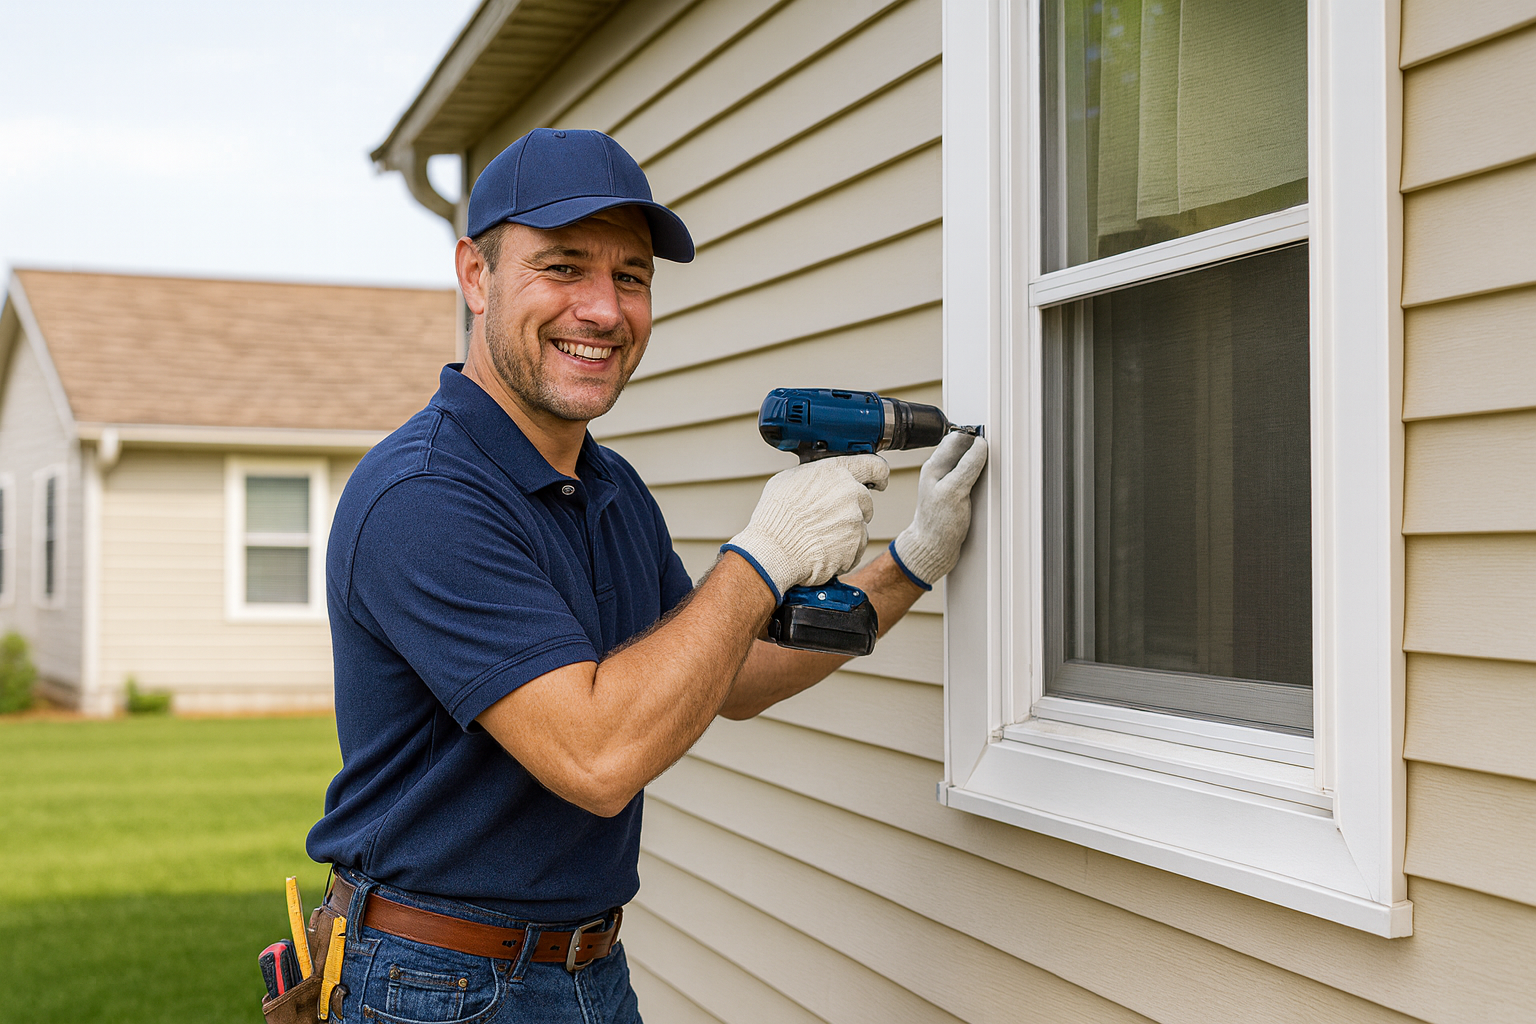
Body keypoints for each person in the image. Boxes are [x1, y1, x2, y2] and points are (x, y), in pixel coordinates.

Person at [304, 128, 986, 1024]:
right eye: (562, 267)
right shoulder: (425, 497)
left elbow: (730, 672)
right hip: (433, 981)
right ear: (476, 276)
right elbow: (596, 757)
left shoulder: (609, 487)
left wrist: (914, 561)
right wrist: (765, 554)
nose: (603, 310)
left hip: (586, 966)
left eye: (631, 277)